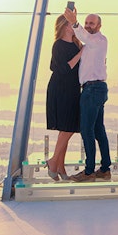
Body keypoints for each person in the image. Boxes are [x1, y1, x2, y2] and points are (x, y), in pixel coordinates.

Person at [64, 8, 113, 183]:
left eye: (91, 23)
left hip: (93, 90)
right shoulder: (91, 44)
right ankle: (105, 168)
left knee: (87, 130)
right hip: (95, 89)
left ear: (99, 25)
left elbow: (85, 37)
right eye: (86, 23)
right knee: (99, 129)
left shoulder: (98, 40)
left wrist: (74, 23)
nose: (88, 26)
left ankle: (89, 171)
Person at [44, 13, 82, 181]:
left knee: (67, 128)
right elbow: (65, 68)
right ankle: (53, 161)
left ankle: (60, 166)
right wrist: (81, 53)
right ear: (64, 26)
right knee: (68, 128)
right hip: (60, 89)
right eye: (71, 23)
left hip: (72, 89)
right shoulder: (58, 45)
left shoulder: (76, 44)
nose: (73, 25)